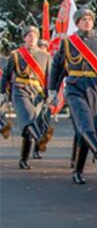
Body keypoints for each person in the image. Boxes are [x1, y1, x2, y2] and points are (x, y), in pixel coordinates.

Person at [48, 7, 97, 184]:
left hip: (96, 88)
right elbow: (58, 67)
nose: (87, 22)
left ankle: (78, 169)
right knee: (84, 122)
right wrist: (53, 89)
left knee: (87, 128)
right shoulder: (68, 43)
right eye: (83, 19)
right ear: (77, 23)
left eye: (90, 19)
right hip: (75, 87)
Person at [0, 26, 53, 169]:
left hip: (37, 93)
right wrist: (2, 92)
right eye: (29, 35)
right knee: (28, 117)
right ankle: (40, 138)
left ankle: (24, 159)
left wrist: (49, 94)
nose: (32, 38)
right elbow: (6, 75)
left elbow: (49, 78)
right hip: (20, 90)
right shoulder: (16, 55)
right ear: (24, 38)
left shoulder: (45, 56)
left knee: (28, 126)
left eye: (34, 35)